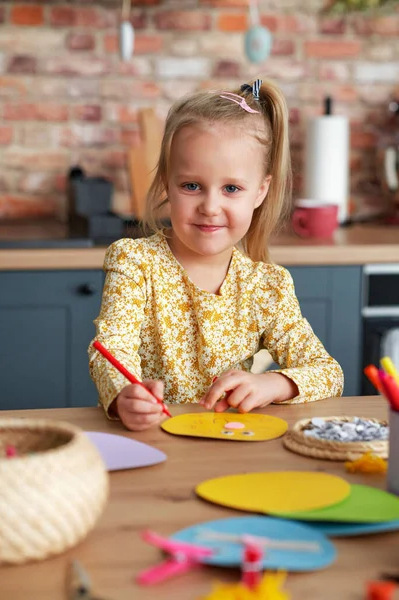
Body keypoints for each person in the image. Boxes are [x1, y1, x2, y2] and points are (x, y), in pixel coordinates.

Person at [88, 78, 343, 432]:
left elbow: (328, 373)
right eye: (191, 186)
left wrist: (272, 384)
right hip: (153, 442)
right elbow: (112, 348)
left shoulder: (267, 285)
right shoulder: (134, 263)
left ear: (260, 191)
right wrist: (124, 395)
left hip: (233, 450)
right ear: (166, 182)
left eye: (232, 188)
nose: (210, 207)